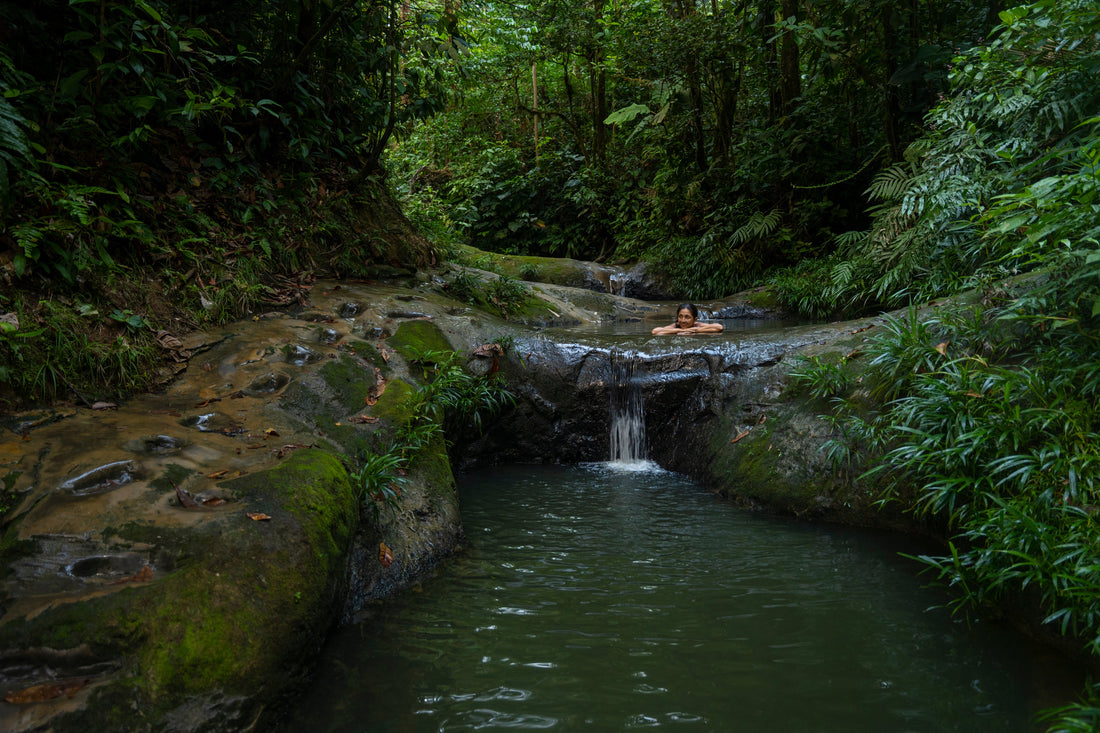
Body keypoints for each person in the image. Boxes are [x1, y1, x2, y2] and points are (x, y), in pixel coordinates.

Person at [651, 303, 724, 335]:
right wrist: (681, 330)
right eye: (680, 316)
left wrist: (695, 331)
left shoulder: (697, 325)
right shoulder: (676, 326)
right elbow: (655, 331)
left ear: (695, 319)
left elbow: (719, 327)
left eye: (687, 317)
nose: (683, 320)